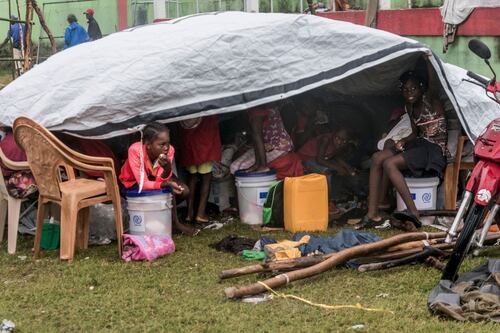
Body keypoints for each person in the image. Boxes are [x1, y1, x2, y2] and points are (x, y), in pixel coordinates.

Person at [362, 53, 448, 230]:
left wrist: (428, 59)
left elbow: (433, 84)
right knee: (378, 158)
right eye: (406, 89)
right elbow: (415, 133)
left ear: (421, 88)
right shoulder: (409, 107)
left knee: (390, 164)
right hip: (419, 143)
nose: (409, 92)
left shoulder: (430, 100)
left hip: (433, 150)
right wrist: (402, 141)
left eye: (413, 88)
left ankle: (413, 212)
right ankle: (373, 215)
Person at [119, 123, 198, 236]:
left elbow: (161, 179)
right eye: (162, 144)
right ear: (148, 145)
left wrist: (167, 170)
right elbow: (144, 183)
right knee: (165, 190)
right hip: (134, 182)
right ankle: (173, 222)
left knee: (184, 190)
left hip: (156, 177)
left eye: (168, 143)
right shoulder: (136, 151)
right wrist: (166, 184)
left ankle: (168, 220)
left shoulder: (169, 150)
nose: (166, 148)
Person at [230, 103, 304, 179]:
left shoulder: (257, 109)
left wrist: (262, 165)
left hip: (279, 147)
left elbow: (257, 135)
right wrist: (256, 164)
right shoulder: (267, 103)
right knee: (234, 166)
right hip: (268, 145)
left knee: (240, 167)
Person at [178, 116, 221, 223]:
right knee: (206, 178)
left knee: (192, 176)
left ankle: (189, 213)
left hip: (189, 143)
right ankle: (201, 214)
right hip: (204, 143)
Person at [298, 127, 358, 199]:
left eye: (343, 140)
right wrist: (338, 168)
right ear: (334, 134)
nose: (339, 142)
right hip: (305, 159)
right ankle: (328, 199)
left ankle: (336, 195)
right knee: (326, 171)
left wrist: (347, 167)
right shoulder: (326, 139)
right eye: (337, 138)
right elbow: (319, 160)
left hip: (318, 159)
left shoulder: (341, 145)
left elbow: (335, 156)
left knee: (341, 170)